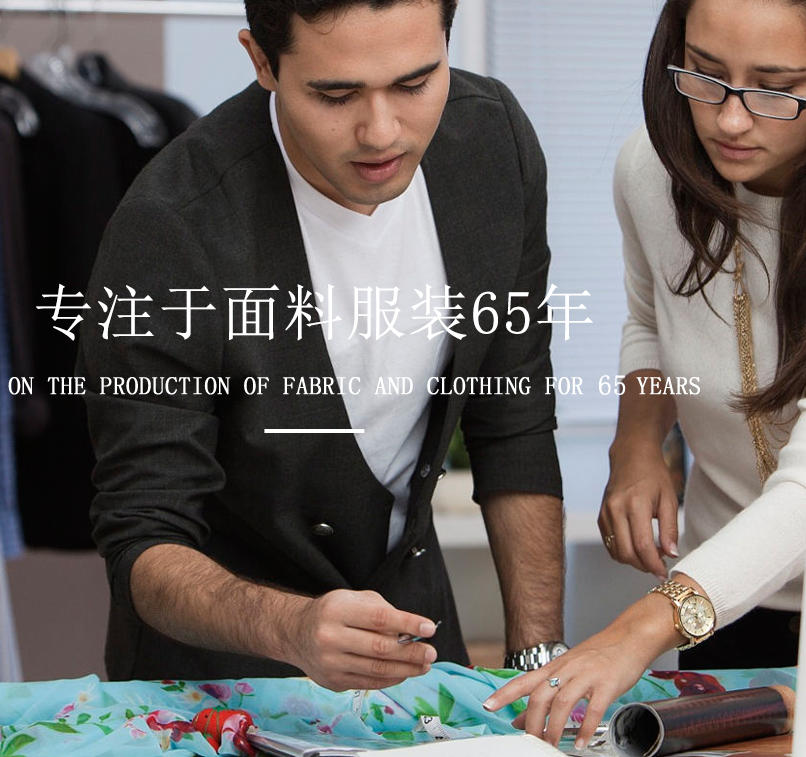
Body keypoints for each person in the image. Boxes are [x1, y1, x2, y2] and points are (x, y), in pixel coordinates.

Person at [484, 0, 806, 744]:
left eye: (776, 88)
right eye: (705, 75)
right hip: (728, 596)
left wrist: (637, 628)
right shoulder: (651, 169)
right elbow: (650, 319)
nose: (729, 120)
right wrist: (637, 443)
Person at [79, 0, 569, 689]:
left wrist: (539, 662)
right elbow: (142, 535)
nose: (381, 131)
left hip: (416, 632)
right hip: (220, 667)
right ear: (261, 61)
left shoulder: (493, 143)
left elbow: (513, 417)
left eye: (415, 83)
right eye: (336, 95)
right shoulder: (171, 227)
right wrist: (290, 628)